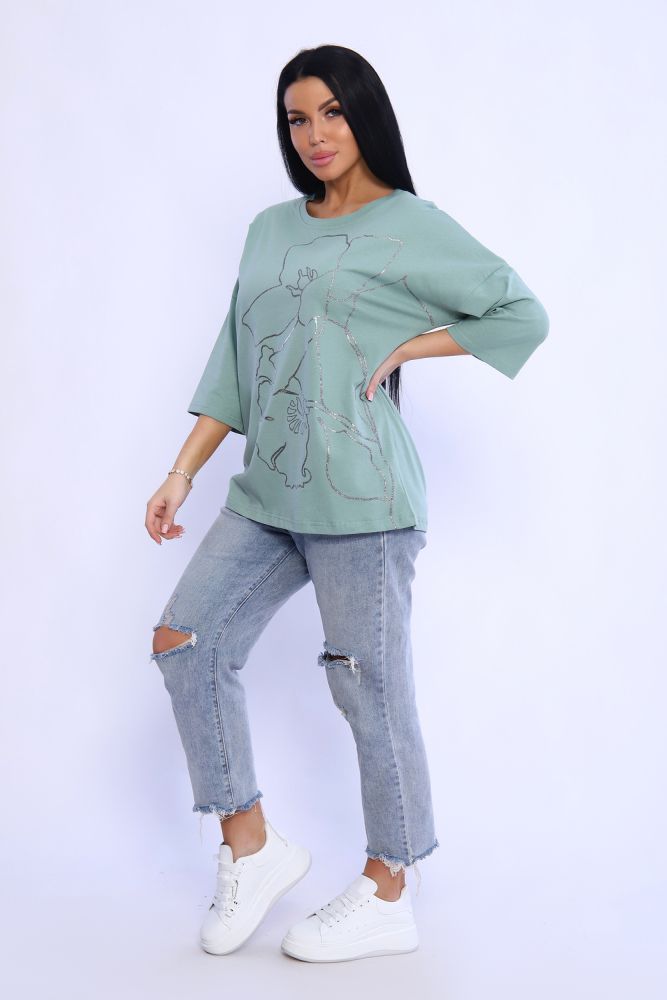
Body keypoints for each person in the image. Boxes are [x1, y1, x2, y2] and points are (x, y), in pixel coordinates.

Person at [145, 44, 549, 964]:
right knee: (185, 641)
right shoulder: (268, 230)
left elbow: (519, 313)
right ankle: (252, 845)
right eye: (297, 118)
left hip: (364, 497)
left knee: (367, 687)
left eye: (331, 112)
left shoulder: (411, 223)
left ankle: (390, 885)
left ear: (364, 114)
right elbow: (233, 361)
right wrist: (182, 471)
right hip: (268, 491)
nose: (315, 134)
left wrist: (409, 347)